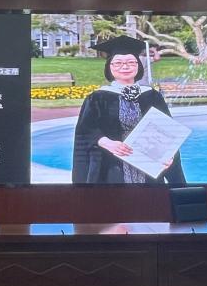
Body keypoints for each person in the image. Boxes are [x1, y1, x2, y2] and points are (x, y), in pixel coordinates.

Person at [72, 35, 186, 184]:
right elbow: (85, 131)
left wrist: (168, 156)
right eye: (118, 63)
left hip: (149, 170)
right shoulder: (98, 97)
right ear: (109, 67)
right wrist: (106, 142)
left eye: (131, 62)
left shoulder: (152, 96)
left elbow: (167, 132)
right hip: (110, 169)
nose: (125, 67)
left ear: (138, 65)